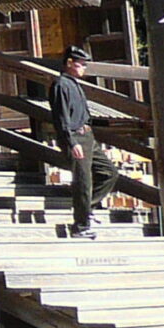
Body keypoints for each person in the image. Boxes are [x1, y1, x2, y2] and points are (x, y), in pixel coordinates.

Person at [47, 45, 121, 239]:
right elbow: (61, 118)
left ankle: (87, 210)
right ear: (69, 63)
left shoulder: (75, 84)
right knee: (83, 181)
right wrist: (71, 142)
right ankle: (80, 226)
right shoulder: (61, 85)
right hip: (75, 136)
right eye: (80, 64)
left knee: (109, 173)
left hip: (87, 136)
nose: (83, 68)